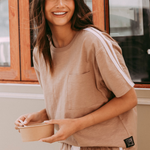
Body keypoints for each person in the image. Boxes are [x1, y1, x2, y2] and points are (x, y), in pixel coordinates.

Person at [15, 0, 137, 150]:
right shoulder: (40, 52)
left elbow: (129, 99)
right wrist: (42, 115)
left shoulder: (95, 42)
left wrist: (77, 125)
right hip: (70, 145)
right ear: (41, 4)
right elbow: (72, 100)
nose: (60, 4)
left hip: (107, 144)